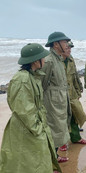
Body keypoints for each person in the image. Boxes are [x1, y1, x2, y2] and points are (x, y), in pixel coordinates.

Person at [0, 43, 61, 173]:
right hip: (27, 128)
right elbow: (24, 111)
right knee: (27, 162)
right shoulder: (23, 79)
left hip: (31, 126)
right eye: (42, 58)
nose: (45, 60)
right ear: (35, 61)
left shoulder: (32, 75)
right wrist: (38, 129)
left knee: (33, 160)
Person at [41, 32, 72, 163]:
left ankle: (55, 158)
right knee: (53, 131)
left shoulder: (58, 59)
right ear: (56, 44)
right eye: (64, 42)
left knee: (59, 130)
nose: (67, 45)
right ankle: (50, 163)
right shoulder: (48, 60)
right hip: (52, 103)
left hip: (60, 100)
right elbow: (42, 84)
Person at [59, 41, 86, 151]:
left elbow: (75, 75)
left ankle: (76, 138)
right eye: (67, 48)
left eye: (70, 48)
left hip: (71, 93)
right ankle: (62, 142)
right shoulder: (55, 61)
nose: (69, 50)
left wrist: (79, 89)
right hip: (60, 95)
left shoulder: (71, 59)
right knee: (62, 119)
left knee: (76, 115)